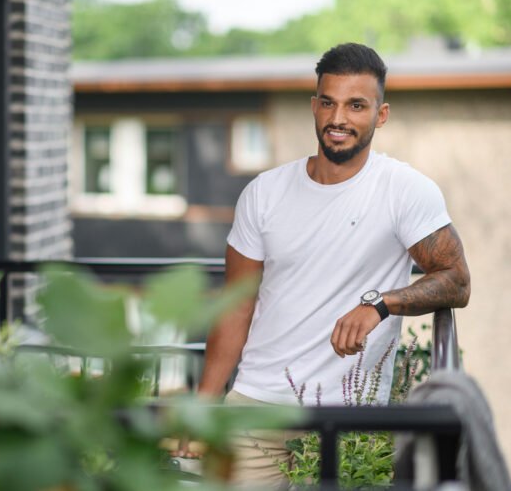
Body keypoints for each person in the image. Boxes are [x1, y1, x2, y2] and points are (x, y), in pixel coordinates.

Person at [195, 43, 471, 486]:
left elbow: (456, 281)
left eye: (356, 105)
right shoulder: (264, 193)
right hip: (256, 405)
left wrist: (381, 304)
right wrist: (205, 403)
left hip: (346, 417)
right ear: (314, 107)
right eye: (329, 102)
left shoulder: (404, 191)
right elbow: (235, 305)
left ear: (380, 115)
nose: (338, 118)